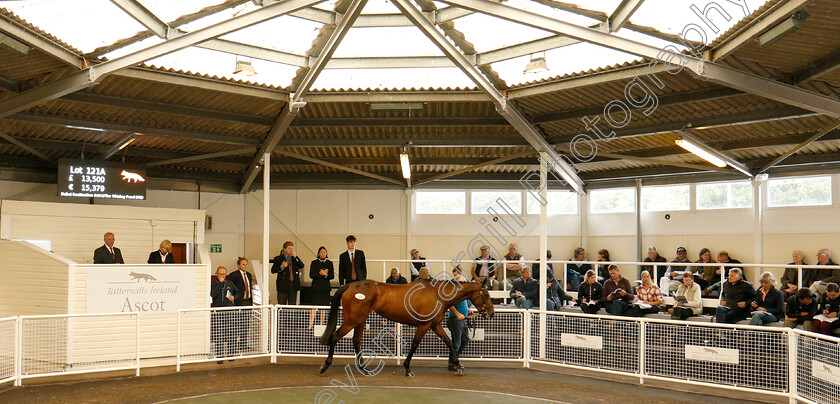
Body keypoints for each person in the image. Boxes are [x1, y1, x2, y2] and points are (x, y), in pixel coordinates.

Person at [210, 266, 237, 362]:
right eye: (220, 274)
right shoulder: (213, 284)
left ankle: (231, 353)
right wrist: (220, 285)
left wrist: (234, 297)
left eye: (224, 274)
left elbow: (237, 293)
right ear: (216, 274)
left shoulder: (229, 283)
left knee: (231, 332)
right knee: (219, 333)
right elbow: (212, 294)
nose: (222, 276)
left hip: (230, 311)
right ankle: (220, 355)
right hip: (218, 311)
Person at [228, 257, 255, 354]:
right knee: (236, 324)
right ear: (239, 265)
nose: (245, 266)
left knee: (246, 323)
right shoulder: (234, 275)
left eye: (246, 264)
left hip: (247, 301)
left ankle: (243, 343)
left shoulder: (249, 275)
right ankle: (234, 344)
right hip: (238, 302)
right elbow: (230, 288)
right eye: (243, 264)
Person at [446, 269, 469, 371]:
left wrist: (467, 310)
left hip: (460, 320)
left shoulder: (461, 292)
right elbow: (449, 305)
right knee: (457, 342)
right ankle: (453, 362)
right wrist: (458, 314)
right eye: (462, 282)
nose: (464, 284)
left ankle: (455, 360)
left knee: (464, 340)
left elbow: (461, 304)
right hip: (455, 320)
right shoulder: (454, 292)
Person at [271, 241, 305, 305]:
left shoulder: (294, 259)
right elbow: (273, 270)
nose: (291, 250)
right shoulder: (278, 258)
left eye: (292, 249)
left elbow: (302, 265)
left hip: (293, 284)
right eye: (289, 249)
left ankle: (291, 315)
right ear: (284, 249)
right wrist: (282, 267)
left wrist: (296, 257)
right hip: (283, 285)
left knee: (292, 305)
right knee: (281, 304)